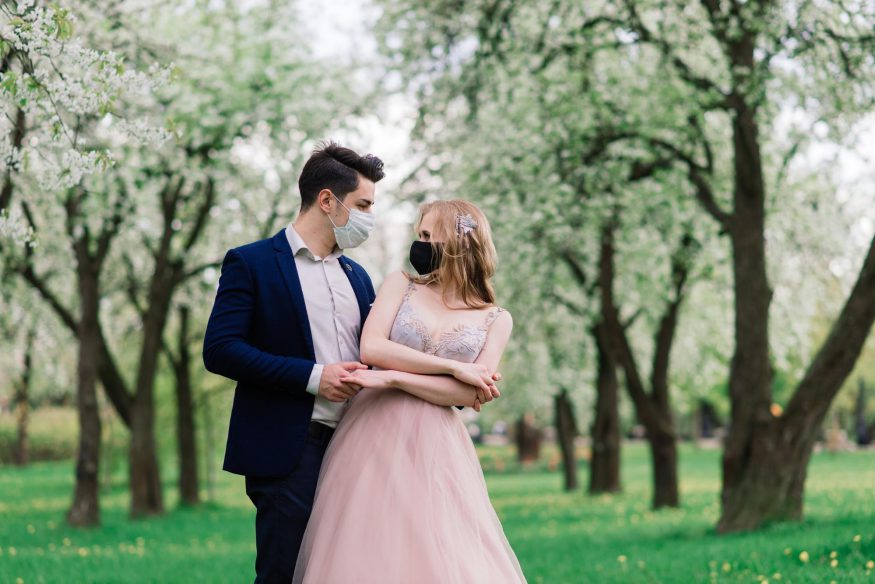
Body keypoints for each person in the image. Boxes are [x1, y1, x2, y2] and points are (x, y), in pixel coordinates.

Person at [203, 143, 498, 583]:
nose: (369, 217)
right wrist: (313, 377)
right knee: (288, 572)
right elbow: (221, 349)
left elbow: (377, 351)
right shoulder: (253, 263)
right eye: (363, 204)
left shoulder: (357, 276)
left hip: (365, 444)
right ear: (327, 200)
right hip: (291, 444)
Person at [293, 199, 527, 583]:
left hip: (439, 444)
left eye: (426, 236)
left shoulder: (496, 318)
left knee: (438, 546)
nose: (419, 244)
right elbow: (374, 348)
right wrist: (453, 367)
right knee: (366, 545)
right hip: (371, 432)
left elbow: (468, 395)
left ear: (457, 241)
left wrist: (395, 378)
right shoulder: (400, 285)